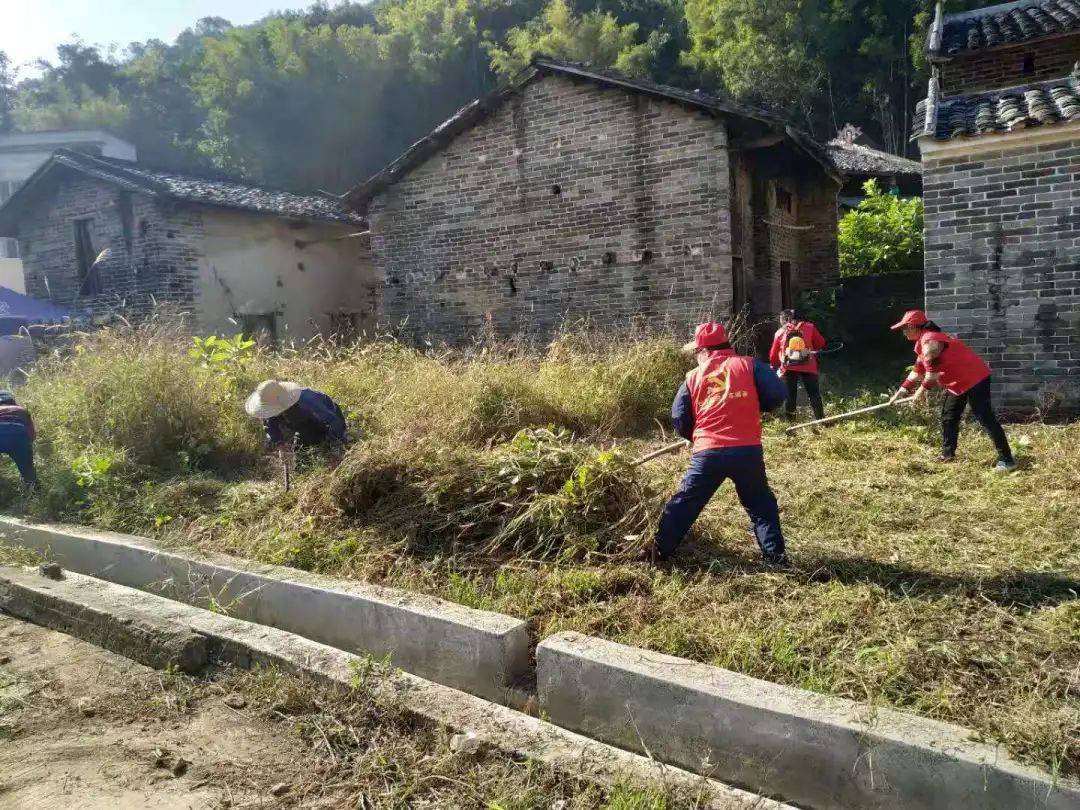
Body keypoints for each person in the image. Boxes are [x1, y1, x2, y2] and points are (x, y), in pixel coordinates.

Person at [646, 322, 790, 564]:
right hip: (747, 451)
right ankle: (776, 558)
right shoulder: (749, 365)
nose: (695, 357)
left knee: (685, 502)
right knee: (759, 503)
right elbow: (778, 393)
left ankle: (657, 553)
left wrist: (696, 436)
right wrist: (759, 405)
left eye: (696, 352)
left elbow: (679, 417)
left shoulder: (693, 377)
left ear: (703, 351)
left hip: (707, 453)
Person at [888, 310, 1016, 471]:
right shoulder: (923, 341)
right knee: (949, 415)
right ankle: (948, 454)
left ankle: (1007, 460)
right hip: (956, 384)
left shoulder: (930, 342)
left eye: (905, 328)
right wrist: (902, 390)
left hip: (975, 378)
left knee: (985, 417)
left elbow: (932, 376)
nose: (904, 332)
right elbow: (918, 369)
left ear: (914, 326)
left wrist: (919, 393)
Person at [244, 380, 347, 451]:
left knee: (328, 442)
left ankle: (325, 439)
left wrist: (336, 445)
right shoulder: (271, 405)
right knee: (301, 453)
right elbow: (270, 424)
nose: (272, 411)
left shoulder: (307, 399)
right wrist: (280, 445)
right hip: (301, 425)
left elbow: (333, 420)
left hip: (324, 421)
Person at [769, 309, 826, 421]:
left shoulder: (780, 332)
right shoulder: (810, 327)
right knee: (814, 394)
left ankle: (791, 425)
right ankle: (821, 421)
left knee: (790, 397)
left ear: (783, 320)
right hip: (808, 364)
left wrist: (774, 366)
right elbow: (821, 343)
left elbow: (773, 355)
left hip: (788, 367)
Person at [0, 391, 37, 491]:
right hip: (19, 438)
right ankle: (32, 492)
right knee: (27, 470)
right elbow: (32, 435)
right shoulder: (21, 410)